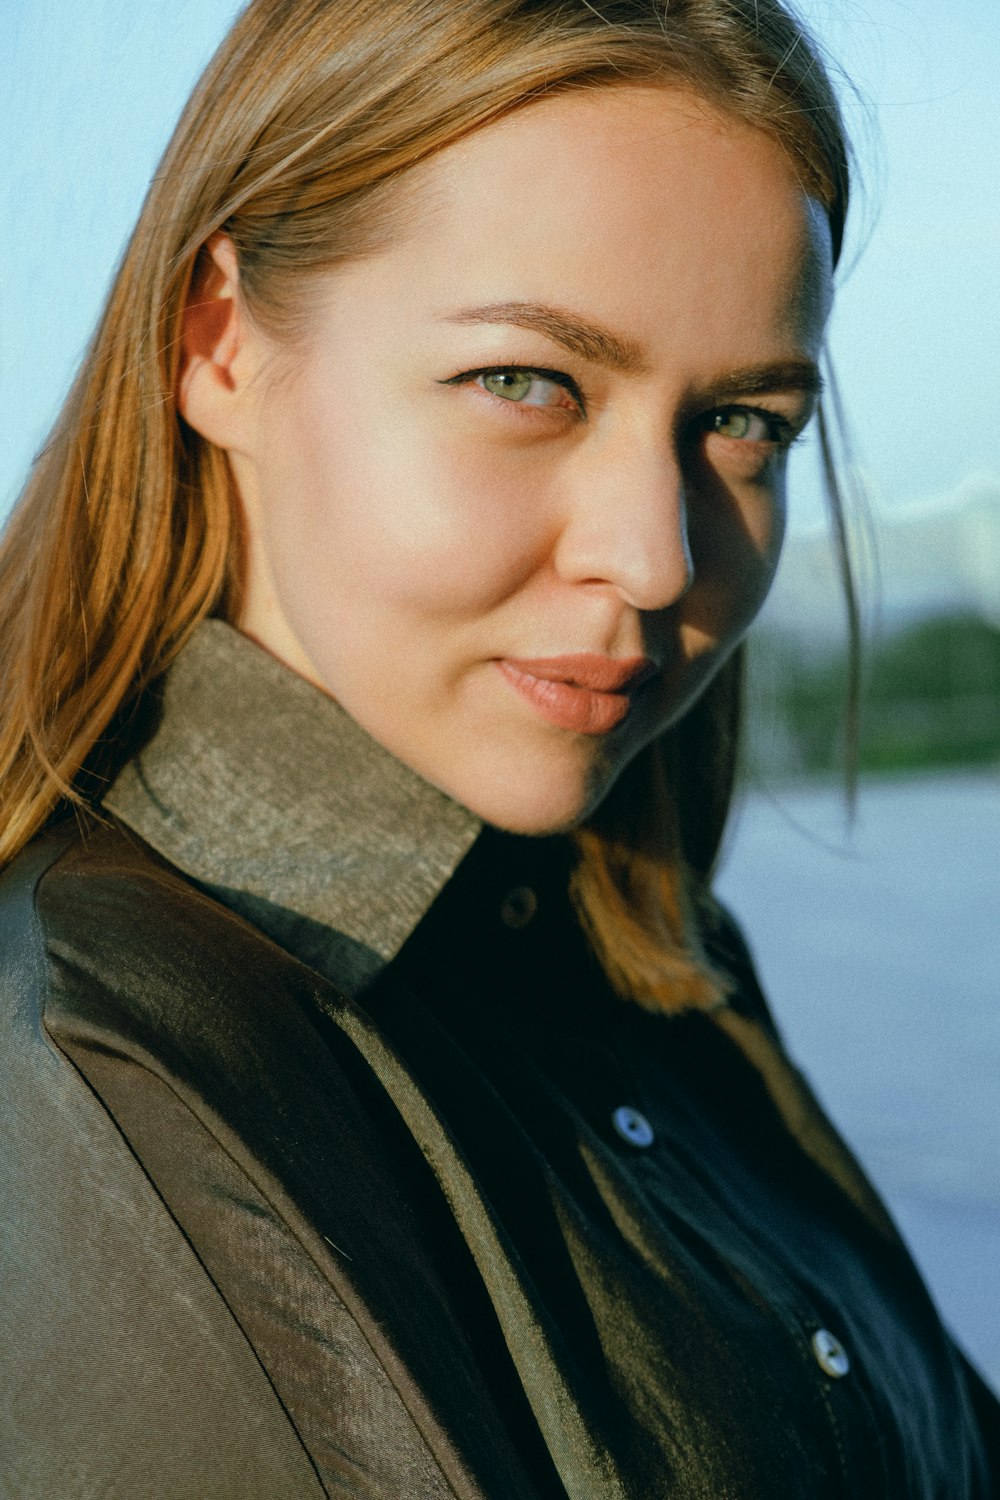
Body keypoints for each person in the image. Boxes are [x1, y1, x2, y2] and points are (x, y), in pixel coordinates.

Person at [1, 0, 996, 1493]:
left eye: (741, 422)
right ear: (221, 345)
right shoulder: (103, 1073)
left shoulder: (634, 958)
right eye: (526, 383)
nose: (657, 560)